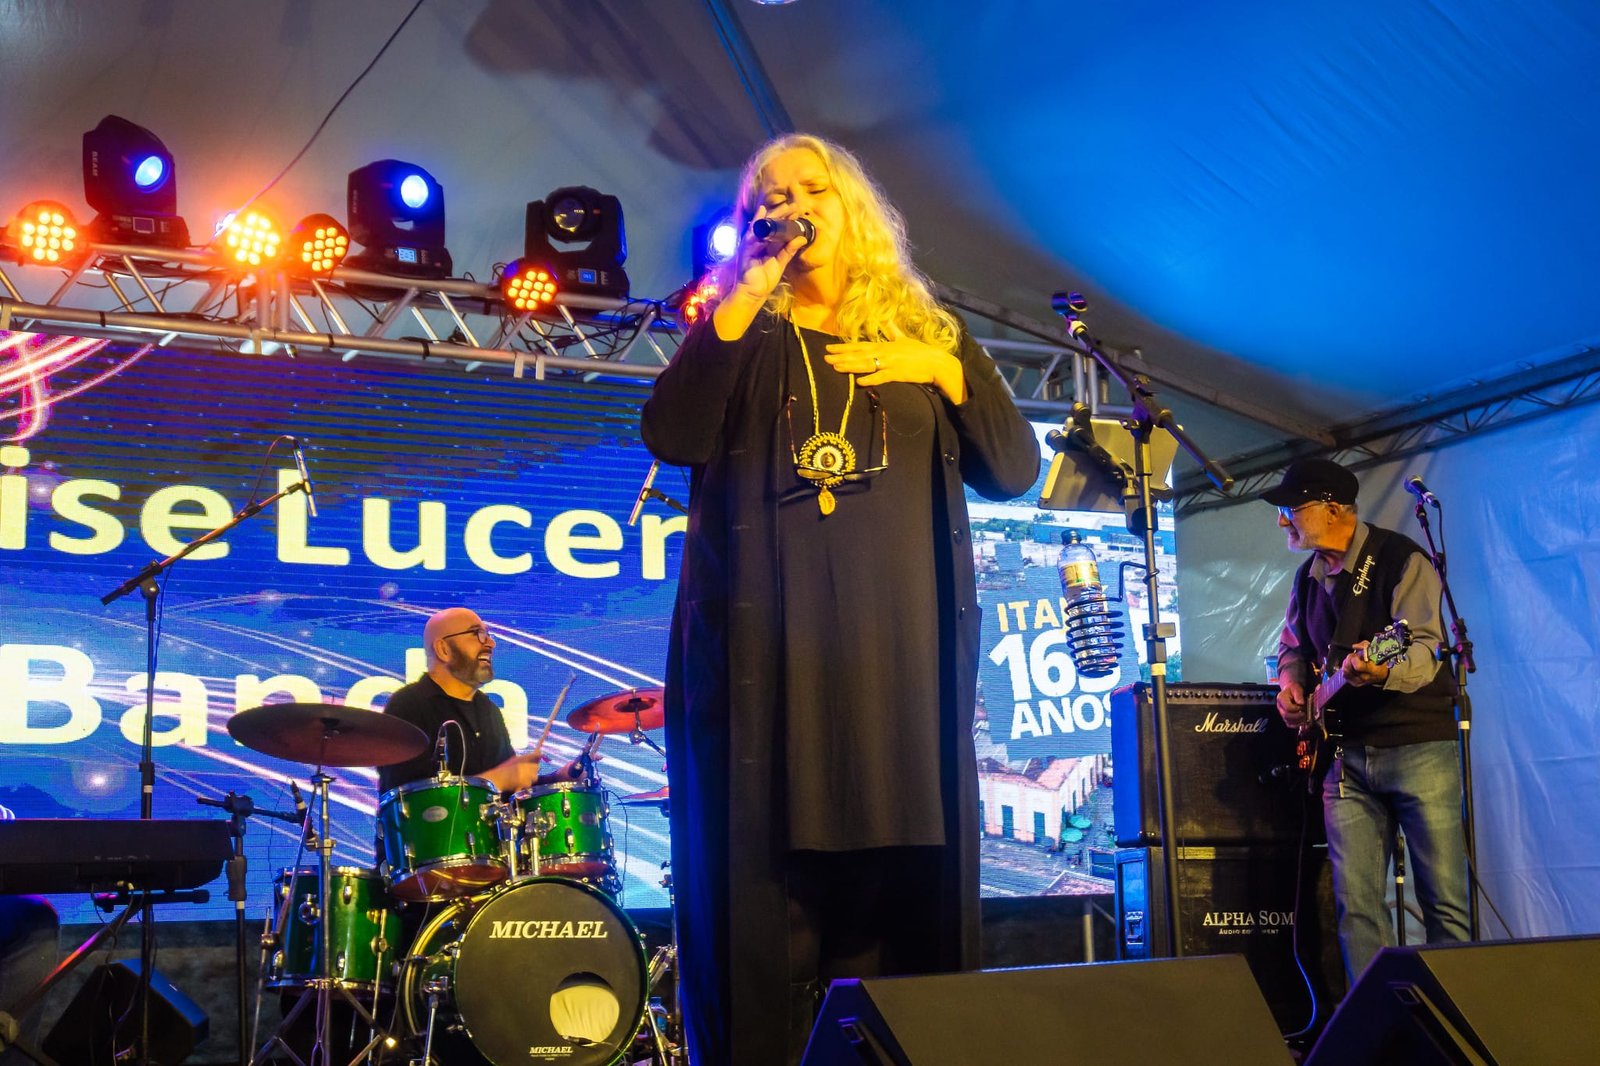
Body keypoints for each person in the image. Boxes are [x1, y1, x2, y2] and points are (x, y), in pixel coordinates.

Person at [642, 133, 1039, 1065]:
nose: (790, 205)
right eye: (768, 198)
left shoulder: (928, 331)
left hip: (899, 671)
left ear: (851, 204)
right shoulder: (745, 328)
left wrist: (944, 375)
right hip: (772, 674)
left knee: (904, 917)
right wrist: (742, 288)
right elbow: (672, 430)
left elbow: (1014, 470)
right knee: (767, 913)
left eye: (809, 187)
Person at [1267, 458, 1469, 984]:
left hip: (1416, 746)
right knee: (1356, 909)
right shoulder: (1306, 579)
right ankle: (1375, 1033)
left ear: (1332, 508)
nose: (1283, 521)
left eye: (1292, 510)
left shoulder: (1403, 559)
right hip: (1344, 758)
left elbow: (1425, 647)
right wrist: (1291, 686)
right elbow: (1292, 649)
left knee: (1443, 901)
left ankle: (1457, 1032)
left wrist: (1381, 669)